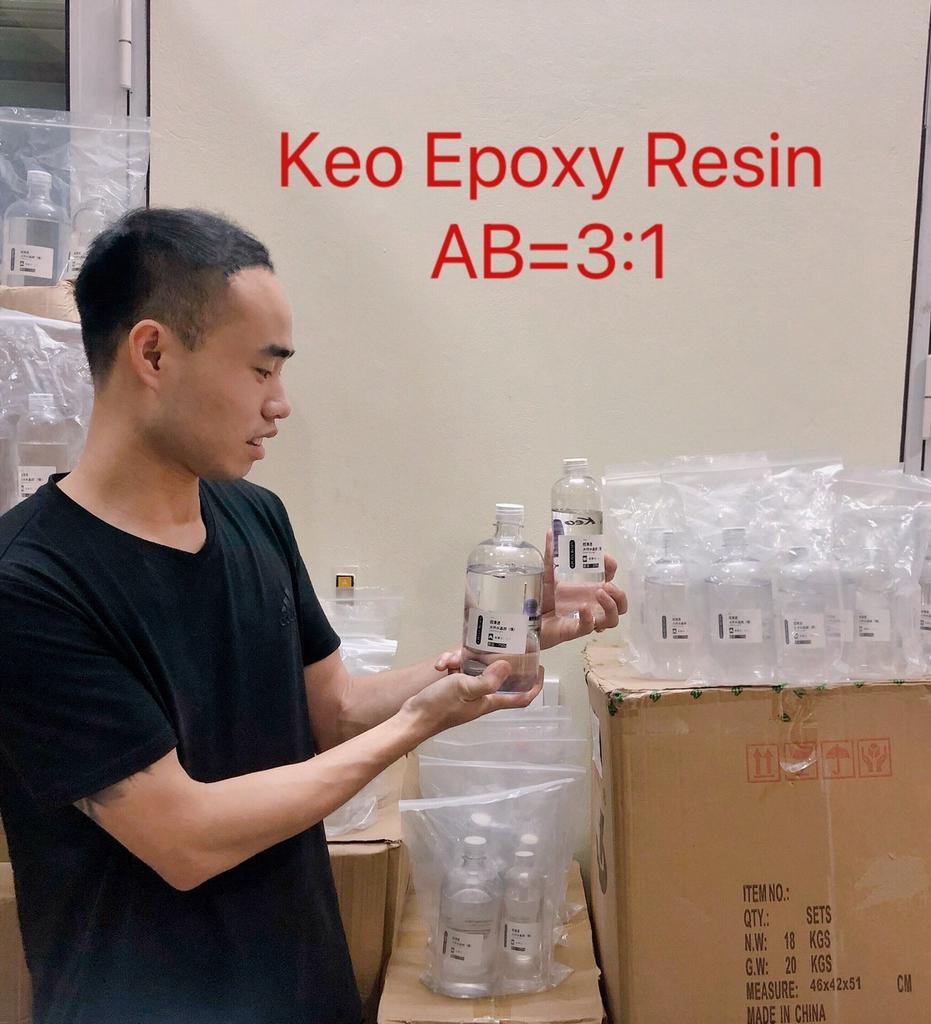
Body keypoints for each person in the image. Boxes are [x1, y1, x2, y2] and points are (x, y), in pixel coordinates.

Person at [0, 207, 627, 1024]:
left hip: (302, 990)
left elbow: (332, 712)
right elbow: (185, 838)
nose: (281, 404)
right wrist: (416, 725)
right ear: (152, 353)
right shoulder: (31, 585)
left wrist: (494, 650)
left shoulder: (253, 517)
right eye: (261, 371)